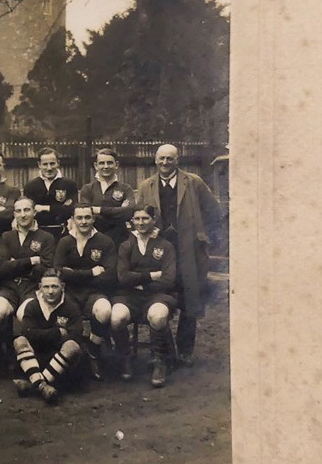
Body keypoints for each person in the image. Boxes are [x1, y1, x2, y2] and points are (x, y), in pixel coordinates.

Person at [136, 144, 222, 364]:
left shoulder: (193, 182)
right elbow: (139, 217)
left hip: (188, 251)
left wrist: (203, 235)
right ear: (155, 160)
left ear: (177, 160)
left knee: (188, 301)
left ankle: (185, 352)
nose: (165, 163)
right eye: (161, 159)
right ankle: (164, 352)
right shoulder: (146, 186)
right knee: (159, 298)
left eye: (170, 159)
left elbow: (214, 211)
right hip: (159, 254)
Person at [110, 205, 178, 386]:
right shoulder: (126, 246)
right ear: (132, 221)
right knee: (116, 317)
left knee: (157, 316)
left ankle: (158, 360)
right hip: (129, 296)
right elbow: (123, 278)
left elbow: (168, 279)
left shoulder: (166, 246)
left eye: (145, 218)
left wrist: (140, 283)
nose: (141, 223)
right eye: (137, 219)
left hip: (157, 295)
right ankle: (125, 357)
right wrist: (151, 276)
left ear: (154, 220)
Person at [0, 196, 55, 370]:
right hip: (9, 286)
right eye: (18, 211)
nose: (23, 215)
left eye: (27, 210)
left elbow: (45, 268)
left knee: (24, 315)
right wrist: (31, 261)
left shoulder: (46, 237)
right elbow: (1, 267)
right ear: (14, 214)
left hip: (32, 286)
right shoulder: (6, 236)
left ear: (34, 212)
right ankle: (8, 348)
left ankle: (30, 355)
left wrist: (15, 263)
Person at [53, 204, 117, 380]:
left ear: (93, 219)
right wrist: (91, 272)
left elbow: (110, 275)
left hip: (94, 292)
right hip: (70, 293)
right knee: (61, 320)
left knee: (104, 310)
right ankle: (70, 358)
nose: (83, 222)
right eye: (79, 218)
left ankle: (93, 352)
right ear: (73, 220)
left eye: (87, 217)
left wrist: (73, 274)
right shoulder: (65, 241)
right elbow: (59, 272)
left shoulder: (105, 241)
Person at [11, 270, 85, 405]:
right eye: (46, 287)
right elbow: (27, 333)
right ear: (40, 287)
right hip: (37, 358)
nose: (50, 291)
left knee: (72, 346)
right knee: (19, 341)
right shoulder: (32, 306)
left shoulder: (71, 307)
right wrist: (57, 333)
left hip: (60, 363)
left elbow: (75, 336)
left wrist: (40, 334)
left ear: (63, 287)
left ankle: (35, 383)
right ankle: (43, 387)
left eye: (54, 286)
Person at [78, 148, 135, 247]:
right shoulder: (87, 189)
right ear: (96, 166)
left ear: (116, 165)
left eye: (109, 163)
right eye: (102, 163)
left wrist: (98, 210)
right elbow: (86, 213)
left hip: (119, 239)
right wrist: (118, 210)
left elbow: (129, 212)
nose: (106, 166)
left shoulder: (125, 188)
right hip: (94, 239)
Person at [22, 147, 77, 239]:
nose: (49, 168)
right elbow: (29, 212)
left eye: (52, 163)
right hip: (36, 233)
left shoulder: (69, 184)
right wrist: (59, 208)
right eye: (45, 164)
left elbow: (70, 210)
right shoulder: (30, 186)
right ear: (39, 165)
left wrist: (44, 208)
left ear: (58, 163)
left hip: (62, 232)